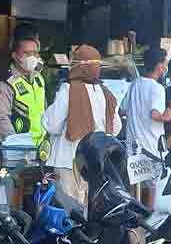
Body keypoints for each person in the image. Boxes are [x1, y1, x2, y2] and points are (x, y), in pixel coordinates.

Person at [42, 45, 120, 204]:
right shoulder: (106, 93)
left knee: (68, 211)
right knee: (86, 210)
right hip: (94, 163)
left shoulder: (68, 89)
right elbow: (116, 128)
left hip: (68, 162)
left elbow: (52, 124)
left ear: (77, 66)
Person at [121, 46, 171, 208]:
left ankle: (133, 225)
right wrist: (168, 116)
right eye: (165, 63)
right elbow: (155, 115)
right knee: (152, 188)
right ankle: (149, 224)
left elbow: (122, 110)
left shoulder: (135, 84)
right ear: (159, 66)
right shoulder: (157, 88)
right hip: (151, 149)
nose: (166, 67)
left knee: (134, 188)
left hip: (133, 147)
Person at [0, 35, 46, 140]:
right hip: (19, 149)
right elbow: (1, 120)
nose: (32, 57)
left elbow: (44, 110)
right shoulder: (6, 84)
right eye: (27, 53)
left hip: (41, 147)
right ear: (15, 56)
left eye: (35, 53)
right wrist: (16, 143)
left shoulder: (39, 79)